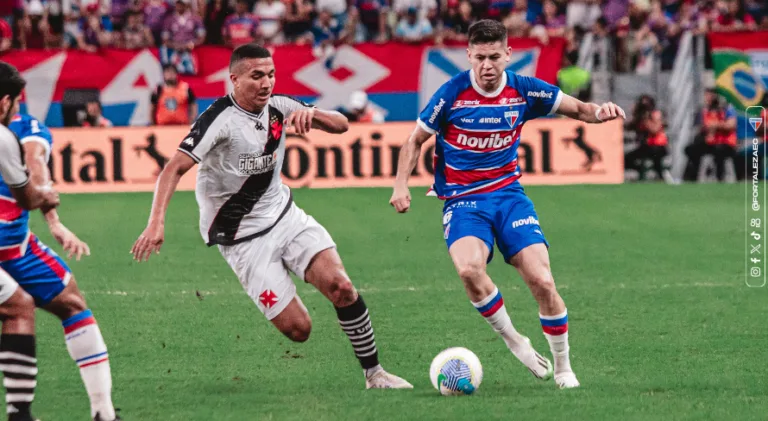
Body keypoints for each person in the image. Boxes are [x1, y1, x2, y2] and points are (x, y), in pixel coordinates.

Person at [130, 43, 412, 389]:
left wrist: (316, 116)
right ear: (234, 79)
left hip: (284, 216)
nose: (266, 83)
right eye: (257, 76)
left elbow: (342, 125)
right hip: (241, 239)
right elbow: (173, 168)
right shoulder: (219, 119)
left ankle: (375, 374)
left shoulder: (280, 106)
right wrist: (156, 222)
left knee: (342, 287)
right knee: (299, 330)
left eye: (271, 75)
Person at [389, 20, 626, 389]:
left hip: (509, 196)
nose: (487, 65)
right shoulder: (451, 93)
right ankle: (515, 340)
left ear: (507, 55)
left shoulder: (524, 90)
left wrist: (602, 112)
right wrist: (400, 185)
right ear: (468, 55)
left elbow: (579, 109)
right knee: (469, 270)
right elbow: (414, 140)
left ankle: (563, 367)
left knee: (542, 281)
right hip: (464, 200)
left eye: (494, 57)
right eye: (480, 57)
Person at [6, 113, 121, 421]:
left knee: (60, 303)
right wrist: (54, 220)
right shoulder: (21, 130)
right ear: (8, 100)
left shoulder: (15, 130)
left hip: (14, 243)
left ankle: (103, 412)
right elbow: (35, 165)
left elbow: (33, 167)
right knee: (20, 307)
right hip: (10, 244)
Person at [0, 61, 61, 421]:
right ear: (6, 101)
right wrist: (47, 199)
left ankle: (19, 413)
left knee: (17, 304)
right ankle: (19, 414)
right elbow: (26, 196)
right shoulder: (5, 138)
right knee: (21, 306)